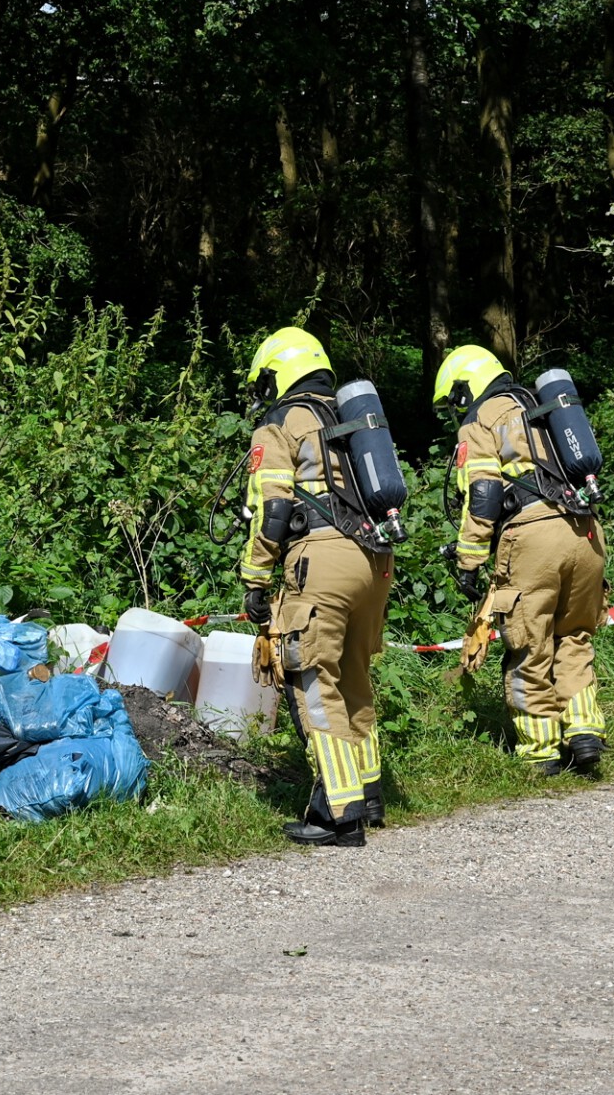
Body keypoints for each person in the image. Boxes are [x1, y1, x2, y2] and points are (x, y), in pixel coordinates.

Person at [238, 327, 395, 846]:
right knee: (353, 672)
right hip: (374, 560)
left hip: (322, 562)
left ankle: (339, 812)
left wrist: (256, 575)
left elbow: (274, 507)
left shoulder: (281, 422)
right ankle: (369, 794)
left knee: (310, 676)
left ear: (280, 371)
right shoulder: (349, 417)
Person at [433, 344, 607, 776]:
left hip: (533, 536)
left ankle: (541, 753)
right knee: (575, 636)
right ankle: (583, 732)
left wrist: (470, 559)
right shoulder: (543, 406)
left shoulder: (481, 420)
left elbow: (485, 493)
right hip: (585, 531)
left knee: (528, 647)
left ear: (462, 389)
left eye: (454, 401)